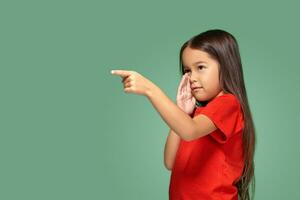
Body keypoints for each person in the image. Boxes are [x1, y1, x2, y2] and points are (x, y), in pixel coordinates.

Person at [111, 29, 256, 200]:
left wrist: (150, 89)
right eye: (188, 71)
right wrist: (182, 111)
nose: (192, 77)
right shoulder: (194, 116)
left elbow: (189, 131)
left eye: (200, 67)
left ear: (226, 65)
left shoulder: (228, 104)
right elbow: (170, 161)